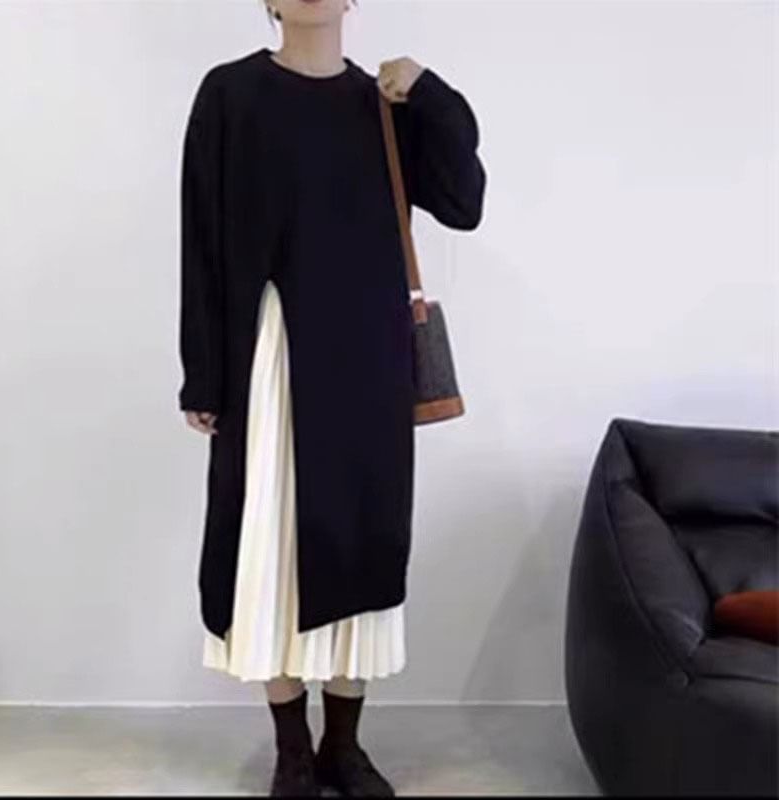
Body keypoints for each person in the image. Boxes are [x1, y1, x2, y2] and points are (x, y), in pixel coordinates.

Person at [178, 0, 486, 795]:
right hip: (270, 358)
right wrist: (202, 372)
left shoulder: (383, 104)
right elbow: (202, 241)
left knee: (363, 544)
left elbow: (464, 202)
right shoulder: (229, 95)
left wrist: (431, 92)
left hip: (367, 365)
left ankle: (343, 746)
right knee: (269, 546)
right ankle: (292, 749)